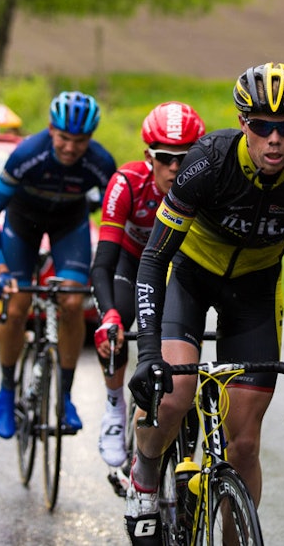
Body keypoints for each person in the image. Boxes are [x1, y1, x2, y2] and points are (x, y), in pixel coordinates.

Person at [124, 62, 284, 545]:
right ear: (243, 122)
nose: (273, 139)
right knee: (174, 395)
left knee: (243, 444)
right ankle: (143, 477)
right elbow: (154, 257)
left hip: (254, 290)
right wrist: (146, 356)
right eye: (260, 125)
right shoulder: (207, 161)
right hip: (190, 277)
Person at [0, 91, 117, 439]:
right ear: (50, 129)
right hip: (22, 225)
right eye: (63, 138)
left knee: (72, 302)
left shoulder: (100, 163)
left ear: (91, 138)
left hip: (68, 226)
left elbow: (116, 214)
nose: (71, 148)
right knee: (17, 304)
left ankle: (66, 397)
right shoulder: (27, 155)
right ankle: (6, 390)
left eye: (80, 141)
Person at [91, 101, 207, 470]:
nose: (174, 168)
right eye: (165, 157)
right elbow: (103, 262)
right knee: (114, 330)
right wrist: (109, 314)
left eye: (184, 158)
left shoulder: (205, 187)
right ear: (148, 156)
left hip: (177, 267)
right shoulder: (126, 183)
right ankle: (114, 408)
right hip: (131, 261)